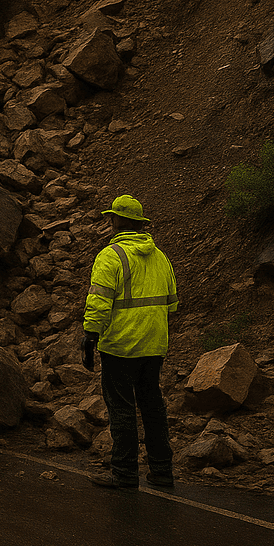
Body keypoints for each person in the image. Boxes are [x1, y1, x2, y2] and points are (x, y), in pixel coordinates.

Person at [81, 194, 179, 489]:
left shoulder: (111, 256)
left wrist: (90, 335)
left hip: (122, 346)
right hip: (154, 345)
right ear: (139, 224)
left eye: (111, 217)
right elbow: (171, 303)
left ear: (117, 221)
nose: (109, 221)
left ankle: (124, 472)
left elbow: (99, 300)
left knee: (121, 407)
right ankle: (162, 471)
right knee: (152, 406)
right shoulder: (160, 256)